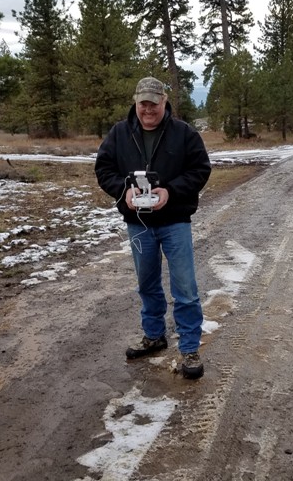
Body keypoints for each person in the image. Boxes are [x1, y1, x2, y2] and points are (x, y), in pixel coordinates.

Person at [95, 77, 211, 379]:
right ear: (136, 102)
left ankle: (189, 346)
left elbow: (201, 170)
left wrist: (170, 191)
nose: (148, 109)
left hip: (175, 222)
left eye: (154, 103)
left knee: (185, 288)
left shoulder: (184, 133)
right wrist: (125, 192)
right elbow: (103, 169)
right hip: (139, 224)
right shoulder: (119, 134)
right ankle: (154, 335)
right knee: (147, 285)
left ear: (164, 102)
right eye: (143, 103)